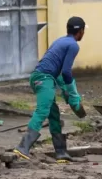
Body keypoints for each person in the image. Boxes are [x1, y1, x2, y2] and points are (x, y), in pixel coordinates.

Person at [13, 17, 87, 163]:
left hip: (40, 77)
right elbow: (66, 72)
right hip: (44, 78)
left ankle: (61, 152)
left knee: (53, 114)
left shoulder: (60, 41)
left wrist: (67, 92)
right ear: (80, 31)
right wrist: (72, 93)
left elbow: (57, 72)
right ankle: (23, 147)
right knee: (42, 111)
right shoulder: (73, 45)